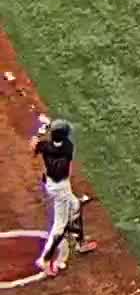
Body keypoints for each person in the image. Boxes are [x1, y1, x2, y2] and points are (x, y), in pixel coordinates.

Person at [30, 118, 97, 277]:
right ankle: (45, 260)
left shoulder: (45, 146)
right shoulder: (68, 147)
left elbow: (33, 145)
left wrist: (43, 129)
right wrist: (50, 126)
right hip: (61, 190)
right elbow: (61, 139)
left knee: (75, 206)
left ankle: (81, 243)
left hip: (52, 185)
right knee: (60, 226)